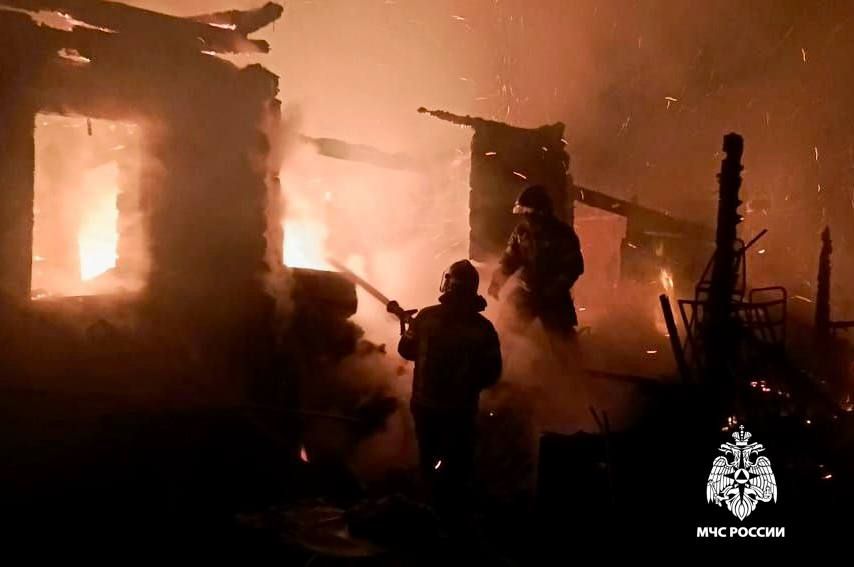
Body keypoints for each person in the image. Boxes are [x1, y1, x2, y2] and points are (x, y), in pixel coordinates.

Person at [397, 260, 502, 520]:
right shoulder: (483, 328)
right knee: (458, 467)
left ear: (448, 284)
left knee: (427, 460)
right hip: (461, 411)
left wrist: (409, 328)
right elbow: (493, 372)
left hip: (425, 405)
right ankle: (454, 518)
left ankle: (428, 514)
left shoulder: (426, 318)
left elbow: (406, 351)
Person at [488, 185, 584, 337]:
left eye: (528, 214)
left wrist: (554, 290)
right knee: (504, 332)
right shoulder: (522, 232)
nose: (526, 218)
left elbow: (573, 267)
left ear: (541, 213)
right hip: (527, 291)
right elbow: (510, 260)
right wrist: (497, 282)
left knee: (563, 342)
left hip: (554, 298)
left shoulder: (562, 234)